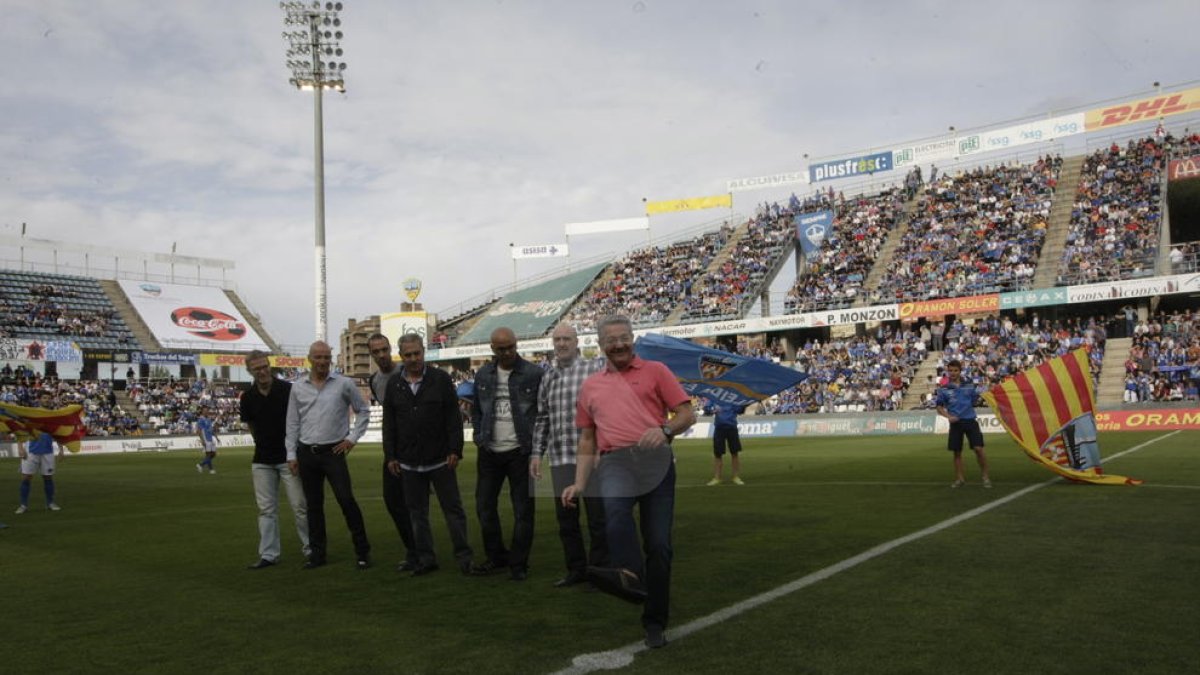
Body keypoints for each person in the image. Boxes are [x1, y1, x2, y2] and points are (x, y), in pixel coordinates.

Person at [562, 315, 696, 649]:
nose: (619, 344)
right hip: (615, 462)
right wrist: (579, 484)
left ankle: (654, 621)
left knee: (660, 547)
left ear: (633, 340)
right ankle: (633, 580)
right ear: (601, 345)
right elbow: (588, 440)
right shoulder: (591, 386)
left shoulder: (657, 372)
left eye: (624, 338)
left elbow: (686, 414)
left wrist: (664, 430)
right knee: (616, 516)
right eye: (611, 340)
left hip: (656, 463)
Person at [381, 333, 475, 577]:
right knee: (416, 514)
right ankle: (426, 559)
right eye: (408, 355)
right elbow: (389, 423)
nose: (413, 358)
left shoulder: (440, 379)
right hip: (408, 462)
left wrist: (455, 449)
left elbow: (453, 418)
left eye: (417, 353)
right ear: (401, 356)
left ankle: (464, 557)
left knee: (453, 511)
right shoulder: (394, 384)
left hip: (441, 459)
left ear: (423, 352)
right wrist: (390, 455)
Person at [531, 322, 608, 588]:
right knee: (566, 522)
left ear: (577, 342)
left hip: (591, 459)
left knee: (598, 518)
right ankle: (576, 570)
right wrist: (536, 454)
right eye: (557, 340)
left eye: (566, 339)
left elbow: (606, 412)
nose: (562, 344)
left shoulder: (593, 369)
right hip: (561, 458)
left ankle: (598, 572)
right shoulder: (547, 376)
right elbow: (542, 419)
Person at [285, 341, 372, 570]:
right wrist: (291, 454)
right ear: (309, 359)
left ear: (330, 359)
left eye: (326, 357)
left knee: (346, 500)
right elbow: (292, 422)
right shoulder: (297, 387)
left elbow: (363, 410)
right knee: (314, 506)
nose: (322, 361)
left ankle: (362, 551)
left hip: (333, 452)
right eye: (318, 357)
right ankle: (317, 554)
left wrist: (352, 438)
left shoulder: (344, 384)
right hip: (307, 453)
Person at [469, 327, 543, 581]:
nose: (508, 352)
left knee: (523, 510)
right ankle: (497, 556)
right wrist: (478, 436)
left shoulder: (534, 373)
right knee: (483, 507)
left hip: (520, 451)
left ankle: (519, 564)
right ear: (493, 349)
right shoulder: (483, 375)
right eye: (502, 348)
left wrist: (536, 445)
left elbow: (541, 411)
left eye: (511, 346)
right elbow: (477, 410)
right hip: (490, 451)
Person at [239, 350, 310, 570]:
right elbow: (252, 428)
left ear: (270, 366)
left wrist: (295, 451)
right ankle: (269, 554)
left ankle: (311, 548)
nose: (262, 371)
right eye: (256, 368)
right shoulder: (247, 398)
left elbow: (300, 421)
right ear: (250, 371)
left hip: (289, 458)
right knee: (266, 510)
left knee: (300, 506)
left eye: (264, 366)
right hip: (262, 460)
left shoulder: (289, 390)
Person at [366, 332, 418, 572]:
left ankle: (422, 551)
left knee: (417, 503)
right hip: (394, 449)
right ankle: (413, 549)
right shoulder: (374, 380)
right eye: (376, 352)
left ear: (391, 349)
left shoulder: (406, 371)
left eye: (384, 349)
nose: (381, 355)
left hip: (417, 448)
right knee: (393, 501)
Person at [935, 359, 991, 488]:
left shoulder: (969, 385)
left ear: (960, 371)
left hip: (970, 421)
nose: (953, 373)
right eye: (950, 371)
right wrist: (948, 416)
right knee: (957, 452)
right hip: (956, 424)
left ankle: (985, 476)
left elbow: (975, 401)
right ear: (947, 372)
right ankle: (960, 479)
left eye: (955, 370)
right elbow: (939, 408)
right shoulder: (943, 389)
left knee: (978, 449)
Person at [16, 390, 65, 514]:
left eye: (48, 398)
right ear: (39, 399)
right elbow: (21, 430)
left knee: (48, 478)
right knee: (26, 478)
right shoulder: (32, 414)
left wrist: (61, 449)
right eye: (44, 398)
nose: (46, 400)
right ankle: (23, 505)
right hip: (31, 451)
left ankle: (50, 503)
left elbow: (57, 434)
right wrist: (20, 448)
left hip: (47, 451)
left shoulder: (54, 416)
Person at [704, 400, 746, 485]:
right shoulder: (714, 397)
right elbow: (706, 408)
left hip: (732, 427)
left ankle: (735, 477)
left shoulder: (733, 398)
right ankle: (717, 477)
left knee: (734, 453)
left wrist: (745, 404)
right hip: (719, 428)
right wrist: (712, 410)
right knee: (718, 454)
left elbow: (740, 410)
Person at [195, 406, 218, 474]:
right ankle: (211, 469)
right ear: (202, 411)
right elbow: (198, 431)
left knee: (213, 454)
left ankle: (201, 465)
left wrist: (216, 437)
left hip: (210, 438)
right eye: (204, 410)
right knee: (208, 454)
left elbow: (211, 429)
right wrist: (202, 440)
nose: (206, 411)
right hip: (206, 439)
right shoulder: (201, 420)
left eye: (207, 410)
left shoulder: (209, 419)